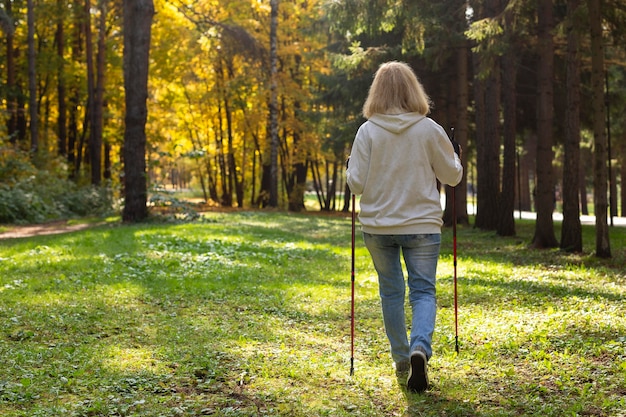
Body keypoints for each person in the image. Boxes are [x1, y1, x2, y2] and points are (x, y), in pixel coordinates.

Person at [346, 61, 463, 393]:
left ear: (377, 92)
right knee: (423, 291)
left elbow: (356, 185)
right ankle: (419, 349)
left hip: (378, 227)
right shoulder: (428, 128)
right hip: (423, 225)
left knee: (391, 292)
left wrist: (348, 168)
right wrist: (457, 157)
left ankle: (401, 357)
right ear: (414, 89)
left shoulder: (367, 132)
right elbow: (451, 176)